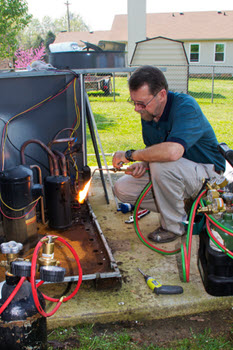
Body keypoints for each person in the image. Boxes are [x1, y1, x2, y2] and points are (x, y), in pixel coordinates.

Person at [112, 65, 225, 243]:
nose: (136, 108)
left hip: (209, 175)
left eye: (142, 103)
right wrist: (144, 164)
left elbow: (172, 153)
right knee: (122, 188)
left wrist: (130, 155)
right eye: (133, 102)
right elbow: (157, 152)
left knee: (161, 165)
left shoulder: (186, 107)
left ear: (162, 95)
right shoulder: (148, 115)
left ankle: (174, 227)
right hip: (179, 172)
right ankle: (185, 208)